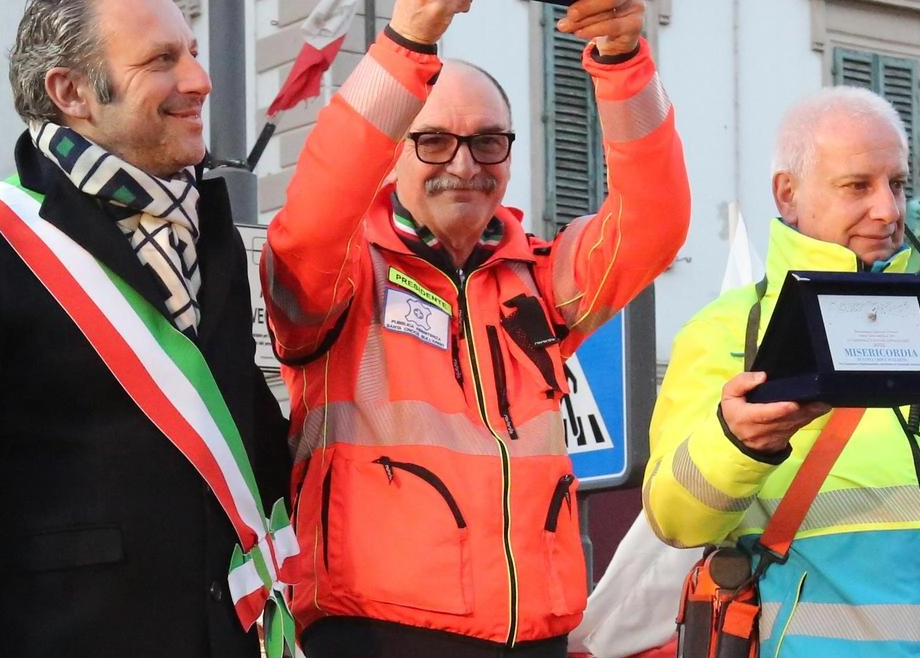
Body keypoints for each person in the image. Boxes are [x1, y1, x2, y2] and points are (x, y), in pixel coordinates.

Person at [260, 0, 690, 655]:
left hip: (535, 633)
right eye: (433, 141)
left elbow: (655, 225)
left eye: (488, 141)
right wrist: (410, 41)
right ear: (393, 152)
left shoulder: (535, 282)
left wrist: (623, 61)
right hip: (378, 632)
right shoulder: (343, 279)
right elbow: (314, 217)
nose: (464, 164)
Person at [643, 86, 920, 657]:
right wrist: (737, 443)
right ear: (788, 193)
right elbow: (675, 519)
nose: (889, 210)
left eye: (897, 184)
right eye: (857, 186)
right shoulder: (725, 333)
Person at [0, 0, 290, 656]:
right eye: (162, 60)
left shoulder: (213, 240)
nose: (198, 81)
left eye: (194, 53)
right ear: (70, 92)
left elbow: (245, 440)